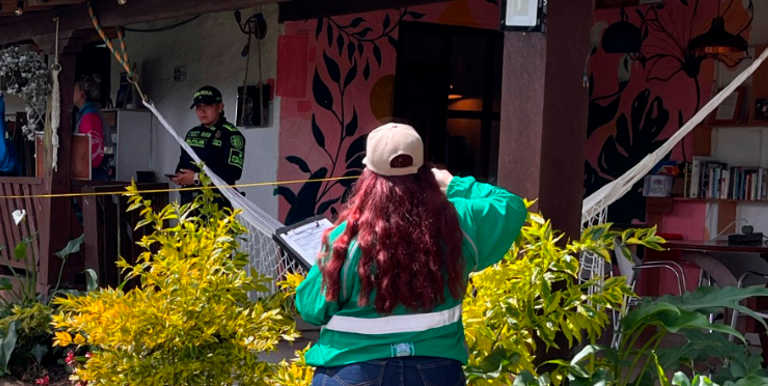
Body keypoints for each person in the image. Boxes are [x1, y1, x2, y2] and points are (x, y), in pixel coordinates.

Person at [294, 123, 527, 386]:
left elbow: (311, 309)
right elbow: (511, 205)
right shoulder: (459, 222)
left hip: (352, 370)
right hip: (438, 371)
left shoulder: (347, 239)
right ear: (425, 172)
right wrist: (453, 183)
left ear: (369, 175)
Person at [171, 86, 244, 206]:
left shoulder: (231, 134)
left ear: (220, 107)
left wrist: (196, 177)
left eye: (207, 106)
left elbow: (233, 173)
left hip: (216, 203)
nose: (202, 111)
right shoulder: (192, 133)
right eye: (198, 107)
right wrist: (179, 176)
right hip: (189, 202)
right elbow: (183, 163)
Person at [73, 75, 109, 181]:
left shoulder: (90, 116)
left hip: (91, 175)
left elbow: (92, 152)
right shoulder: (88, 114)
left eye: (74, 91)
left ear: (81, 94)